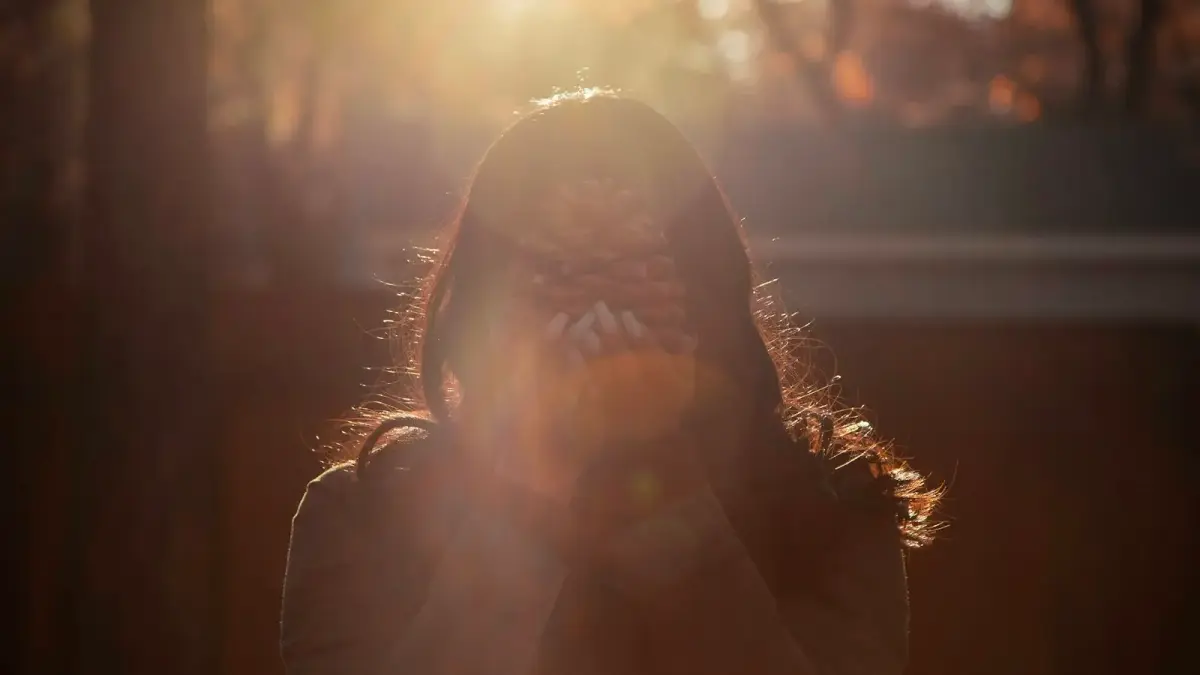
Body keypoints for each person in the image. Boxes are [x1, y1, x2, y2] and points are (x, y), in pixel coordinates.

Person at [280, 91, 940, 675]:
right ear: (483, 315)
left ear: (707, 303)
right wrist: (524, 493)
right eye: (556, 279)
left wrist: (670, 494)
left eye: (637, 274)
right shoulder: (364, 514)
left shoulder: (829, 506)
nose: (594, 327)